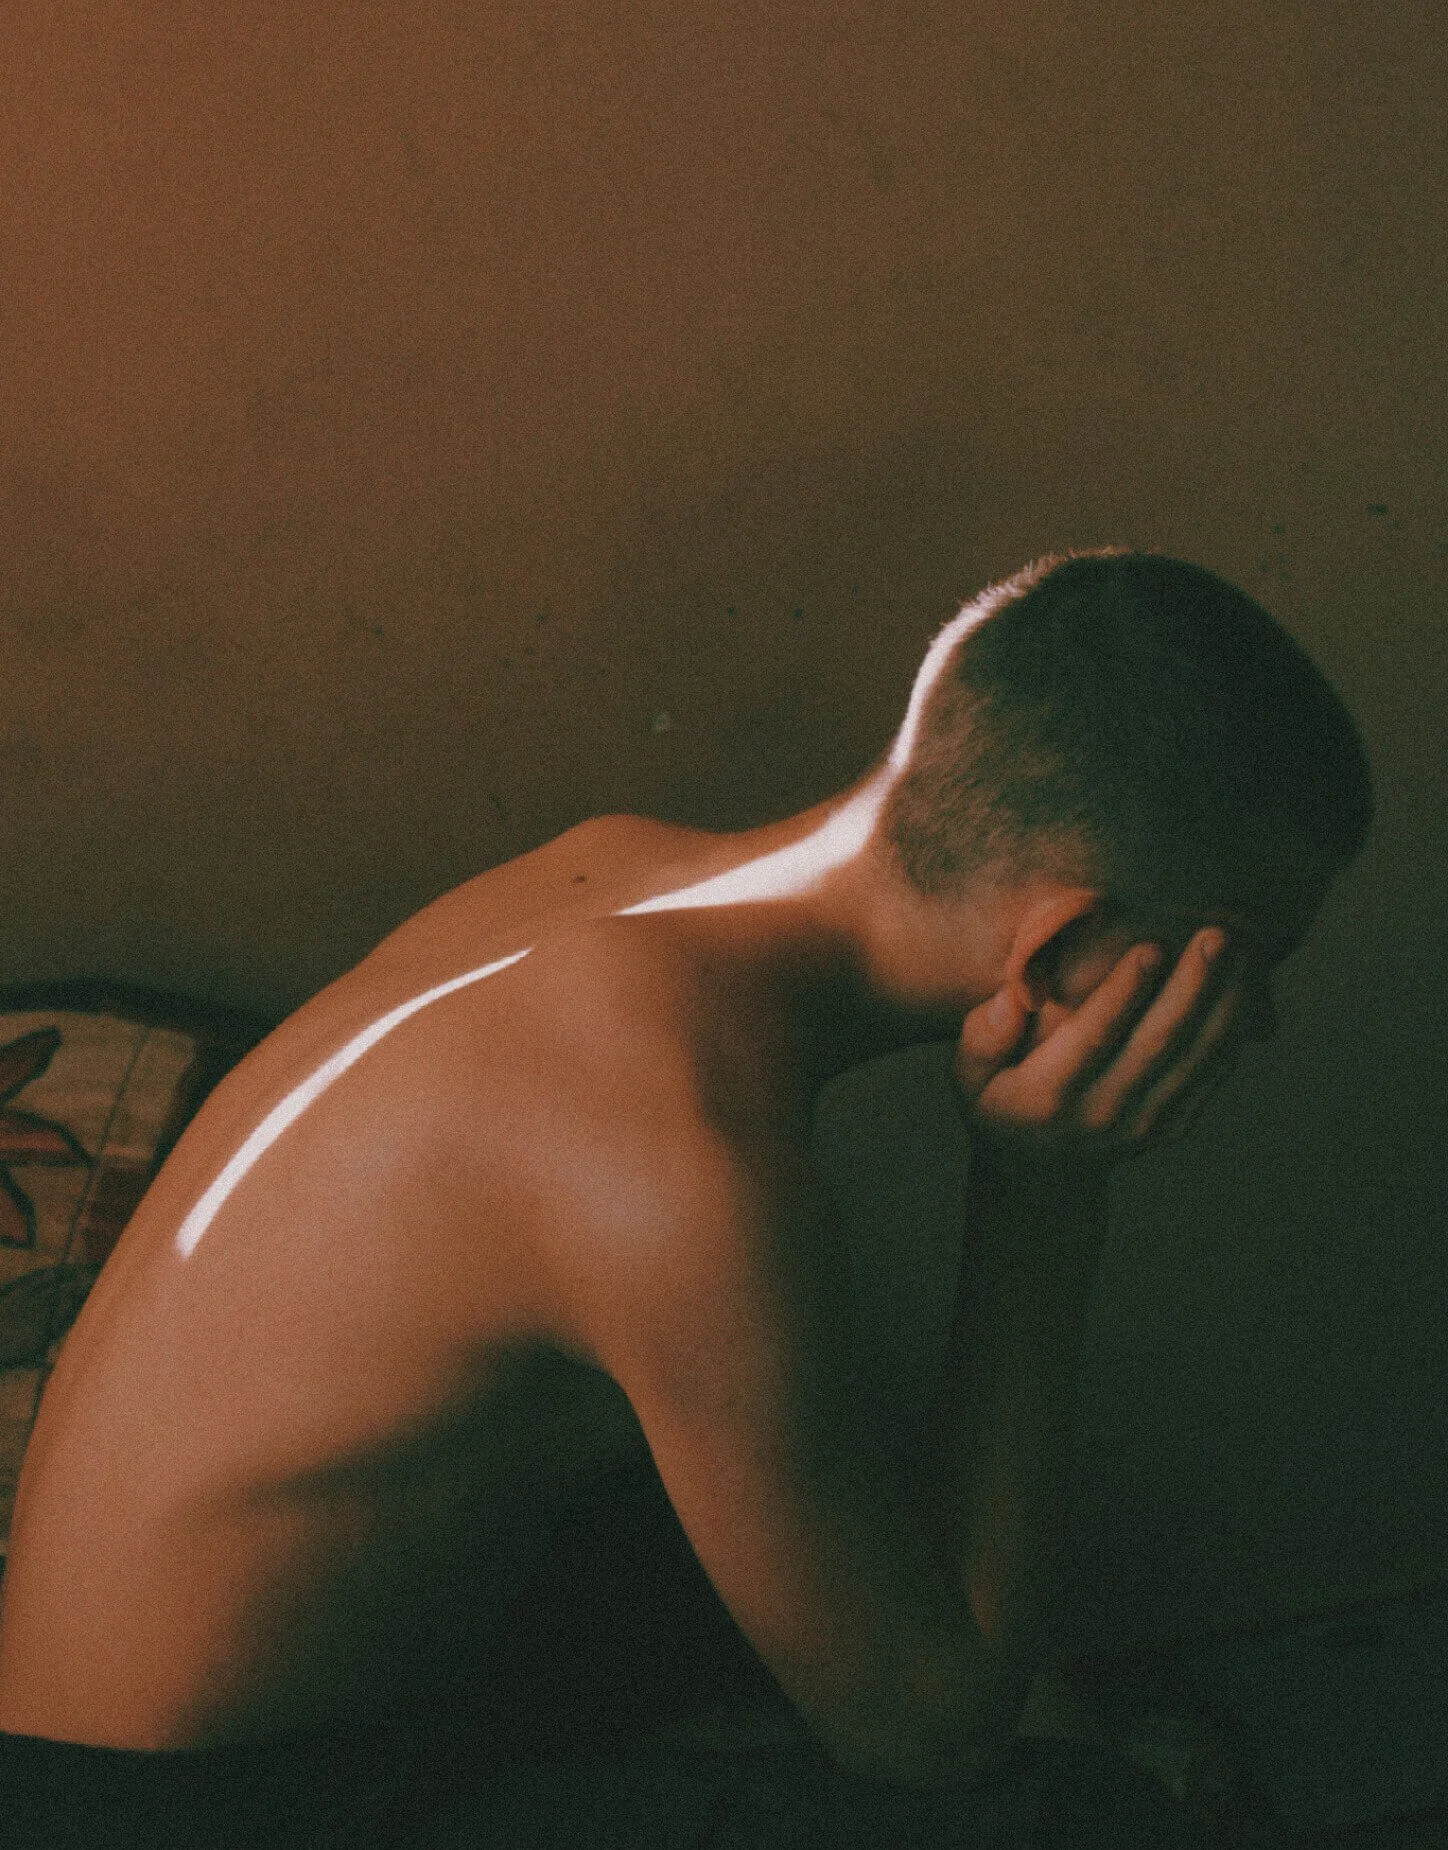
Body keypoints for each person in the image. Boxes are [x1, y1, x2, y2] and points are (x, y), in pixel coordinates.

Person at [0, 550, 1371, 1844]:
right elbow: (931, 1738)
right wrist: (1041, 1197)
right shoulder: (673, 1170)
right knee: (1071, 1810)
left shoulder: (621, 865)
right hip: (171, 1814)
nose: (1251, 1026)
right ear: (1065, 941)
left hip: (169, 1676)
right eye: (1243, 965)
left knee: (825, 1538)